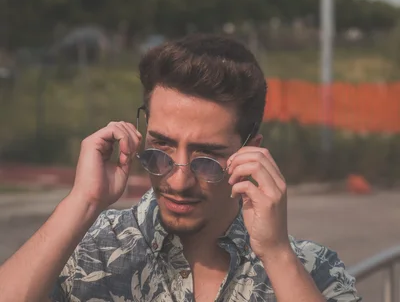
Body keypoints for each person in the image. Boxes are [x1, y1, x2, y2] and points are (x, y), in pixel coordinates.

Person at [0, 34, 361, 302]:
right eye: (161, 147)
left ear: (252, 152)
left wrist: (278, 254)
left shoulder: (310, 268)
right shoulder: (94, 248)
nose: (178, 178)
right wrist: (82, 202)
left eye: (207, 157)